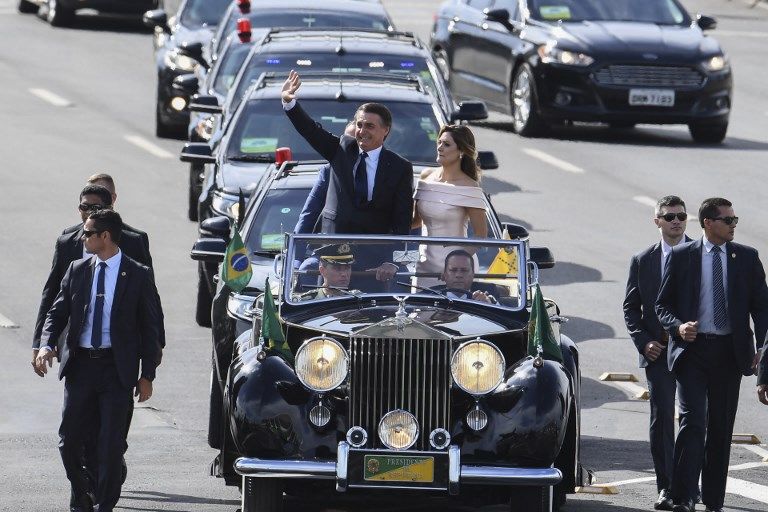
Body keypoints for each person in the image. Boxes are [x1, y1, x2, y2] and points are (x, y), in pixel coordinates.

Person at [35, 209, 163, 512]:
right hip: (81, 368)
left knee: (110, 446)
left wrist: (148, 375)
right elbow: (56, 313)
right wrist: (46, 345)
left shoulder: (137, 274)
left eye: (88, 233)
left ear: (105, 237)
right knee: (69, 441)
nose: (82, 237)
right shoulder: (77, 270)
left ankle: (104, 505)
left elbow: (151, 328)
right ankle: (82, 491)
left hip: (116, 371)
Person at [655, 197, 768, 512]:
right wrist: (678, 328)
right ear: (708, 223)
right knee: (693, 422)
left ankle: (714, 500)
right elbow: (662, 305)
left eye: (734, 220)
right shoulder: (681, 257)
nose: (733, 226)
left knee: (720, 427)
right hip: (693, 351)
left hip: (729, 353)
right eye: (727, 220)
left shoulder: (746, 257)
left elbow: (762, 308)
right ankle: (684, 496)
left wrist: (762, 348)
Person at [282, 70, 413, 283]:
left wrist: (393, 261)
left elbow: (402, 221)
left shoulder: (400, 167)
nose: (362, 131)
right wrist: (290, 104)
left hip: (374, 265)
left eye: (369, 126)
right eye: (359, 125)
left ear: (385, 130)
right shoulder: (341, 150)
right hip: (333, 259)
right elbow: (311, 131)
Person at [32, 184, 152, 372]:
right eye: (84, 207)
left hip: (119, 354)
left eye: (94, 208)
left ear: (109, 208)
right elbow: (53, 295)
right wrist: (41, 343)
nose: (88, 212)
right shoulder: (67, 243)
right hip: (76, 351)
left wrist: (150, 361)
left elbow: (149, 301)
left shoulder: (132, 242)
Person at [623, 195, 692, 511]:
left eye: (680, 216)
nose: (676, 221)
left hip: (695, 353)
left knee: (695, 420)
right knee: (662, 416)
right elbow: (631, 308)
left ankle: (689, 485)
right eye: (669, 217)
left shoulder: (701, 255)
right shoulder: (643, 259)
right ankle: (666, 488)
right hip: (658, 351)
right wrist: (643, 341)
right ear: (658, 222)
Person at [412, 125, 488, 288]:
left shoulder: (470, 186)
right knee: (419, 312)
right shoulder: (426, 176)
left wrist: (456, 263)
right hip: (424, 266)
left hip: (457, 271)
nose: (439, 148)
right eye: (439, 142)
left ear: (461, 151)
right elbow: (415, 221)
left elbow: (481, 235)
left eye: (446, 144)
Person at [295, 122, 356, 234]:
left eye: (354, 142)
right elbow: (310, 214)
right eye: (346, 141)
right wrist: (297, 247)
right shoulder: (329, 172)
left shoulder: (390, 169)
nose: (349, 146)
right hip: (335, 246)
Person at [431, 249, 497, 303]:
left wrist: (489, 304)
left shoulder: (489, 291)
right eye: (453, 270)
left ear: (473, 274)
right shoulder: (430, 296)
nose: (458, 275)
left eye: (464, 270)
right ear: (445, 274)